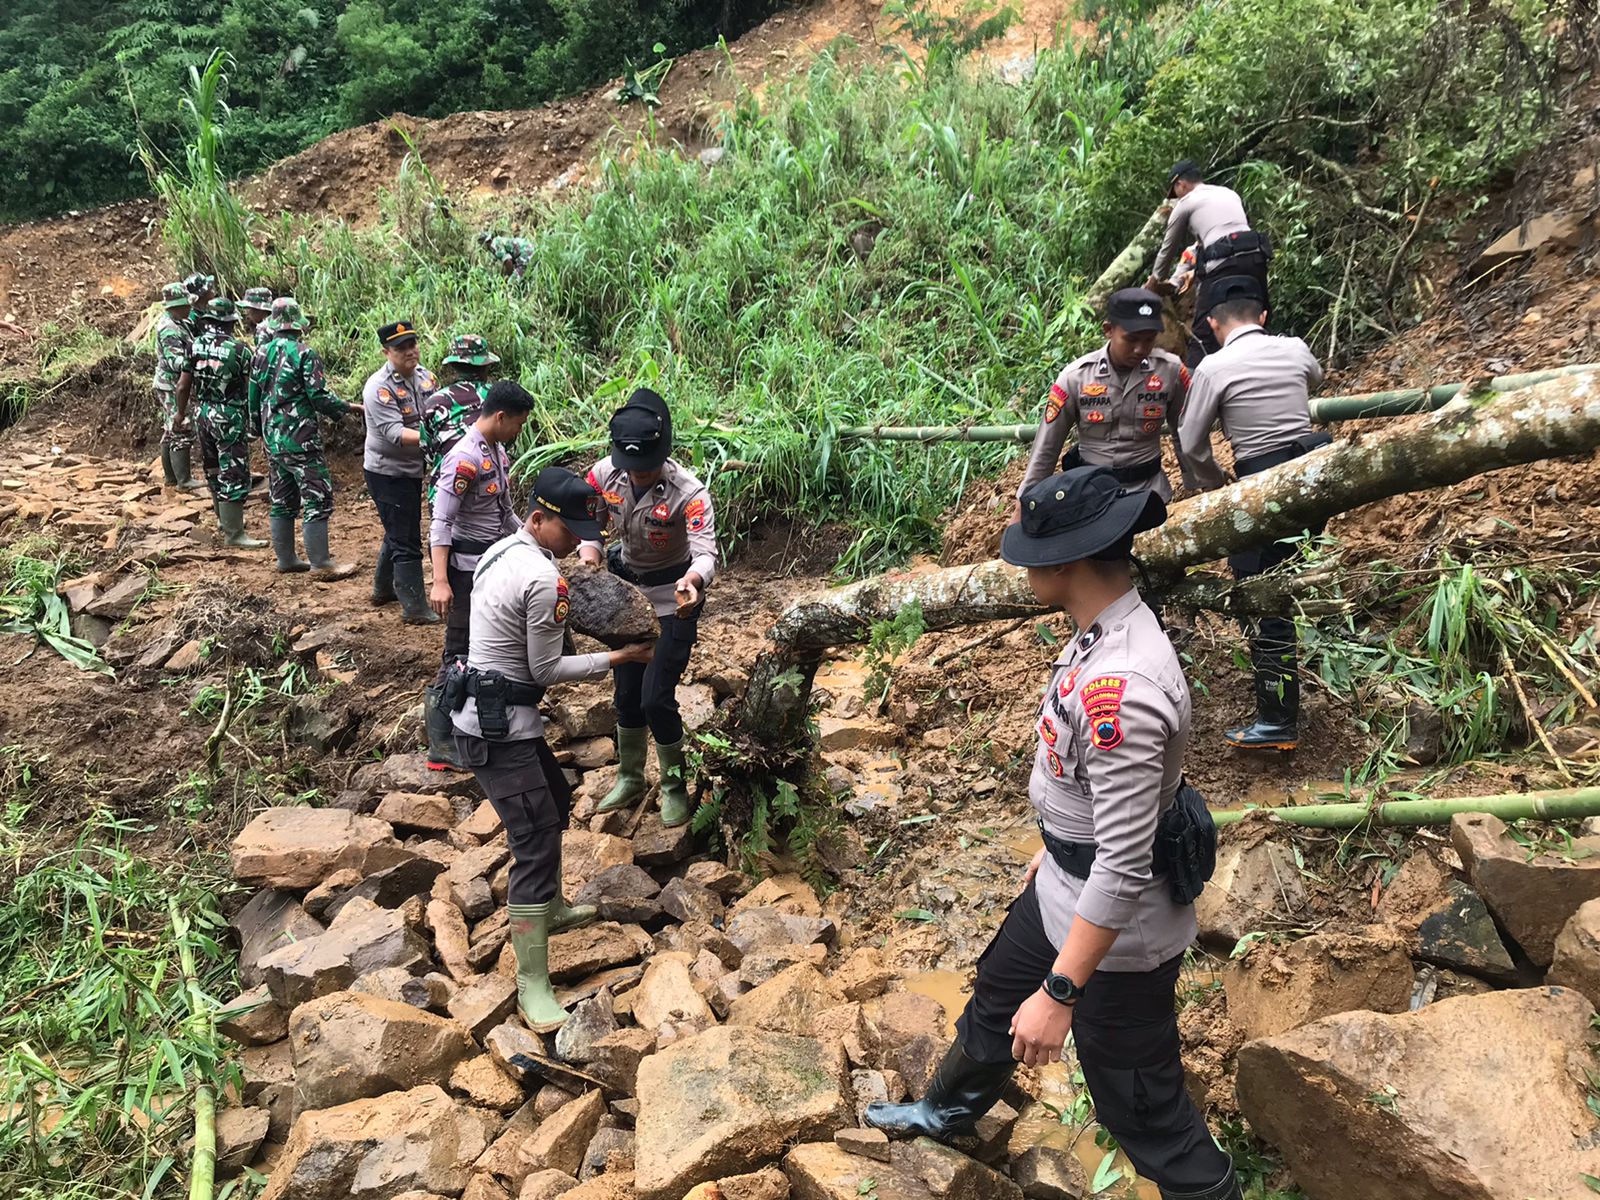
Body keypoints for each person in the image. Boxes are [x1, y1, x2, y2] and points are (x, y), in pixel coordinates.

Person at [866, 465, 1241, 1200]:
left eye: (1033, 552)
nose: (1024, 565)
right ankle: (945, 1112)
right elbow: (1099, 799)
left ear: (1066, 561)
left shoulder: (1124, 690)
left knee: (1140, 1104)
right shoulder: (1100, 631)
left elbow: (1127, 862)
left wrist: (1063, 992)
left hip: (1117, 930)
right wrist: (1058, 843)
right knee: (999, 995)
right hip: (1065, 879)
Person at [446, 467, 654, 1030]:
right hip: (498, 728)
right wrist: (619, 659)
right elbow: (546, 667)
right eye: (573, 530)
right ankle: (531, 982)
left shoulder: (498, 552)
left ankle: (553, 909)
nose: (581, 541)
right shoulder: (543, 580)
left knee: (556, 801)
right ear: (537, 519)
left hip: (483, 707)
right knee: (533, 841)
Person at [1177, 275, 1327, 751]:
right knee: (1287, 586)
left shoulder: (1214, 368)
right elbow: (1315, 378)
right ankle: (1285, 703)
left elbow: (1189, 441)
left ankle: (1278, 720)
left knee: (1265, 602)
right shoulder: (1296, 348)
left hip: (1262, 486)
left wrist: (1211, 481)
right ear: (1262, 317)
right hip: (1313, 477)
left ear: (1214, 323)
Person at [581, 388, 717, 828]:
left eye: (646, 468)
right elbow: (590, 525)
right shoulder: (603, 475)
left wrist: (693, 581)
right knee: (626, 695)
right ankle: (631, 776)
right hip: (625, 598)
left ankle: (675, 785)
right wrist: (590, 555)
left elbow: (705, 554)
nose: (637, 476)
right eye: (630, 468)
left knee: (657, 697)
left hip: (674, 599)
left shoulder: (689, 492)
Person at [423, 381, 531, 770]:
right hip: (464, 571)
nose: (519, 433)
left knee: (485, 648)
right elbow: (441, 522)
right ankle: (440, 743)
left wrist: (530, 542)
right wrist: (440, 580)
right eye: (518, 425)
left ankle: (478, 721)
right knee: (458, 649)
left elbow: (504, 513)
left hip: (491, 565)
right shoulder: (464, 459)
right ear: (500, 417)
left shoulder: (496, 452)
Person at [1013, 288, 1189, 520]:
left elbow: (1184, 432)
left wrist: (1201, 481)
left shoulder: (1170, 370)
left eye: (1148, 340)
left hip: (1150, 495)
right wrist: (1024, 504)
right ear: (1108, 330)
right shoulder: (1075, 378)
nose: (1140, 349)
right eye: (1131, 339)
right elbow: (1047, 447)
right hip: (1091, 498)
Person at [249, 297, 364, 577]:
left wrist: (257, 428)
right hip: (301, 438)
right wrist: (346, 408)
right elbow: (318, 396)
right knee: (317, 497)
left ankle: (286, 559)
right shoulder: (305, 354)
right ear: (298, 325)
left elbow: (253, 396)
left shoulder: (260, 353)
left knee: (282, 497)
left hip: (272, 438)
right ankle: (321, 563)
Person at [1147, 161, 1272, 366]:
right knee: (1257, 317)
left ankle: (1193, 385)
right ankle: (1263, 369)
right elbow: (1229, 232)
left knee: (1203, 332)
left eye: (1175, 191)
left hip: (1222, 264)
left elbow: (1167, 250)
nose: (1176, 196)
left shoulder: (1186, 203)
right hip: (1255, 255)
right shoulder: (1228, 193)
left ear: (1181, 184)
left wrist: (1154, 282)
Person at [362, 320, 439, 625]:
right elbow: (395, 433)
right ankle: (415, 607)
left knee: (398, 527)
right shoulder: (378, 388)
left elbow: (437, 413)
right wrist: (436, 438)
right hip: (387, 471)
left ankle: (383, 589)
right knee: (406, 537)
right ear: (386, 352)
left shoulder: (426, 379)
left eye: (413, 344)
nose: (410, 351)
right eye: (401, 347)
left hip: (412, 467)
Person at [174, 298, 266, 549]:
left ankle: (222, 521)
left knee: (212, 468)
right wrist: (254, 421)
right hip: (229, 415)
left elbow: (183, 385)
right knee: (234, 473)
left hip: (202, 412)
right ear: (231, 322)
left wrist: (180, 414)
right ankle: (235, 534)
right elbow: (251, 390)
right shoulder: (240, 350)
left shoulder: (193, 346)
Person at [421, 334, 499, 490]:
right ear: (486, 366)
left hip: (445, 485)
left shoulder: (434, 402)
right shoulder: (499, 397)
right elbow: (508, 439)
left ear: (453, 367)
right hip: (488, 485)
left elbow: (427, 451)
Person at [152, 282, 206, 492]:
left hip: (170, 383)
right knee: (181, 426)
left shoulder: (178, 322)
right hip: (172, 385)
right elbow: (175, 361)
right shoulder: (169, 330)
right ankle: (184, 480)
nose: (190, 308)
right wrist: (198, 361)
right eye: (187, 305)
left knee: (170, 429)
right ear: (177, 306)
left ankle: (172, 478)